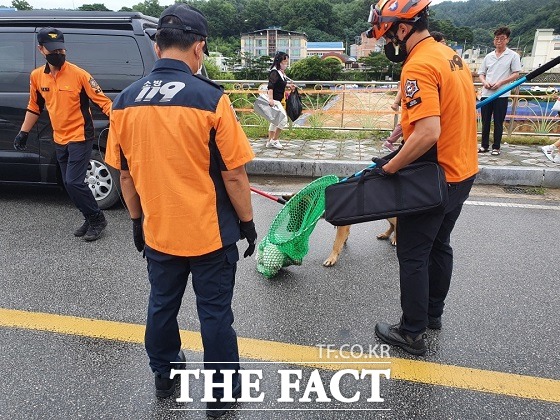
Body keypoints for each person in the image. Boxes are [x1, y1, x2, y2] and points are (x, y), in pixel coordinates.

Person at [105, 4, 256, 417]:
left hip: (159, 231)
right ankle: (221, 398)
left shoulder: (123, 103)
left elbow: (127, 177)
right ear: (199, 48)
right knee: (214, 316)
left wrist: (136, 221)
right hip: (210, 233)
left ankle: (165, 377)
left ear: (157, 48)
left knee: (161, 305)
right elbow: (235, 176)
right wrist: (247, 223)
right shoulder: (210, 99)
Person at [367, 0, 478, 355]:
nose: (390, 42)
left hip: (435, 178)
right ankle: (432, 314)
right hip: (463, 171)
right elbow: (444, 109)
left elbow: (430, 133)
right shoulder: (450, 56)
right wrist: (406, 125)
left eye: (389, 33)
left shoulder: (416, 66)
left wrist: (391, 167)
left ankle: (412, 333)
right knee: (439, 245)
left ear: (402, 28)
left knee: (413, 254)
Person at [14, 27, 111, 241]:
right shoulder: (37, 77)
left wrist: (124, 122)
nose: (58, 54)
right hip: (60, 138)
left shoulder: (79, 75)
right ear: (41, 49)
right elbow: (34, 107)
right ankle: (90, 215)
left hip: (80, 136)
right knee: (69, 183)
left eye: (61, 49)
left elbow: (104, 103)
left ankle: (97, 219)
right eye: (52, 50)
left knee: (74, 182)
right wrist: (23, 133)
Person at [478, 27, 522, 155]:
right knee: (485, 121)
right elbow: (481, 73)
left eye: (502, 38)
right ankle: (484, 145)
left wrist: (501, 83)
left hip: (501, 94)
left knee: (498, 121)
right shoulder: (488, 56)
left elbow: (516, 74)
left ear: (507, 39)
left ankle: (496, 147)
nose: (499, 41)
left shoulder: (513, 56)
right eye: (497, 38)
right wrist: (485, 82)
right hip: (486, 93)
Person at [266, 51, 294, 150]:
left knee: (274, 121)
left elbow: (280, 84)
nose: (286, 64)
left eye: (287, 62)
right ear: (279, 62)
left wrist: (288, 85)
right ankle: (275, 140)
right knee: (283, 120)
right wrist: (270, 99)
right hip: (274, 100)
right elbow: (270, 87)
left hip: (277, 99)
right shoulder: (274, 72)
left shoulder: (279, 72)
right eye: (284, 62)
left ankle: (269, 142)